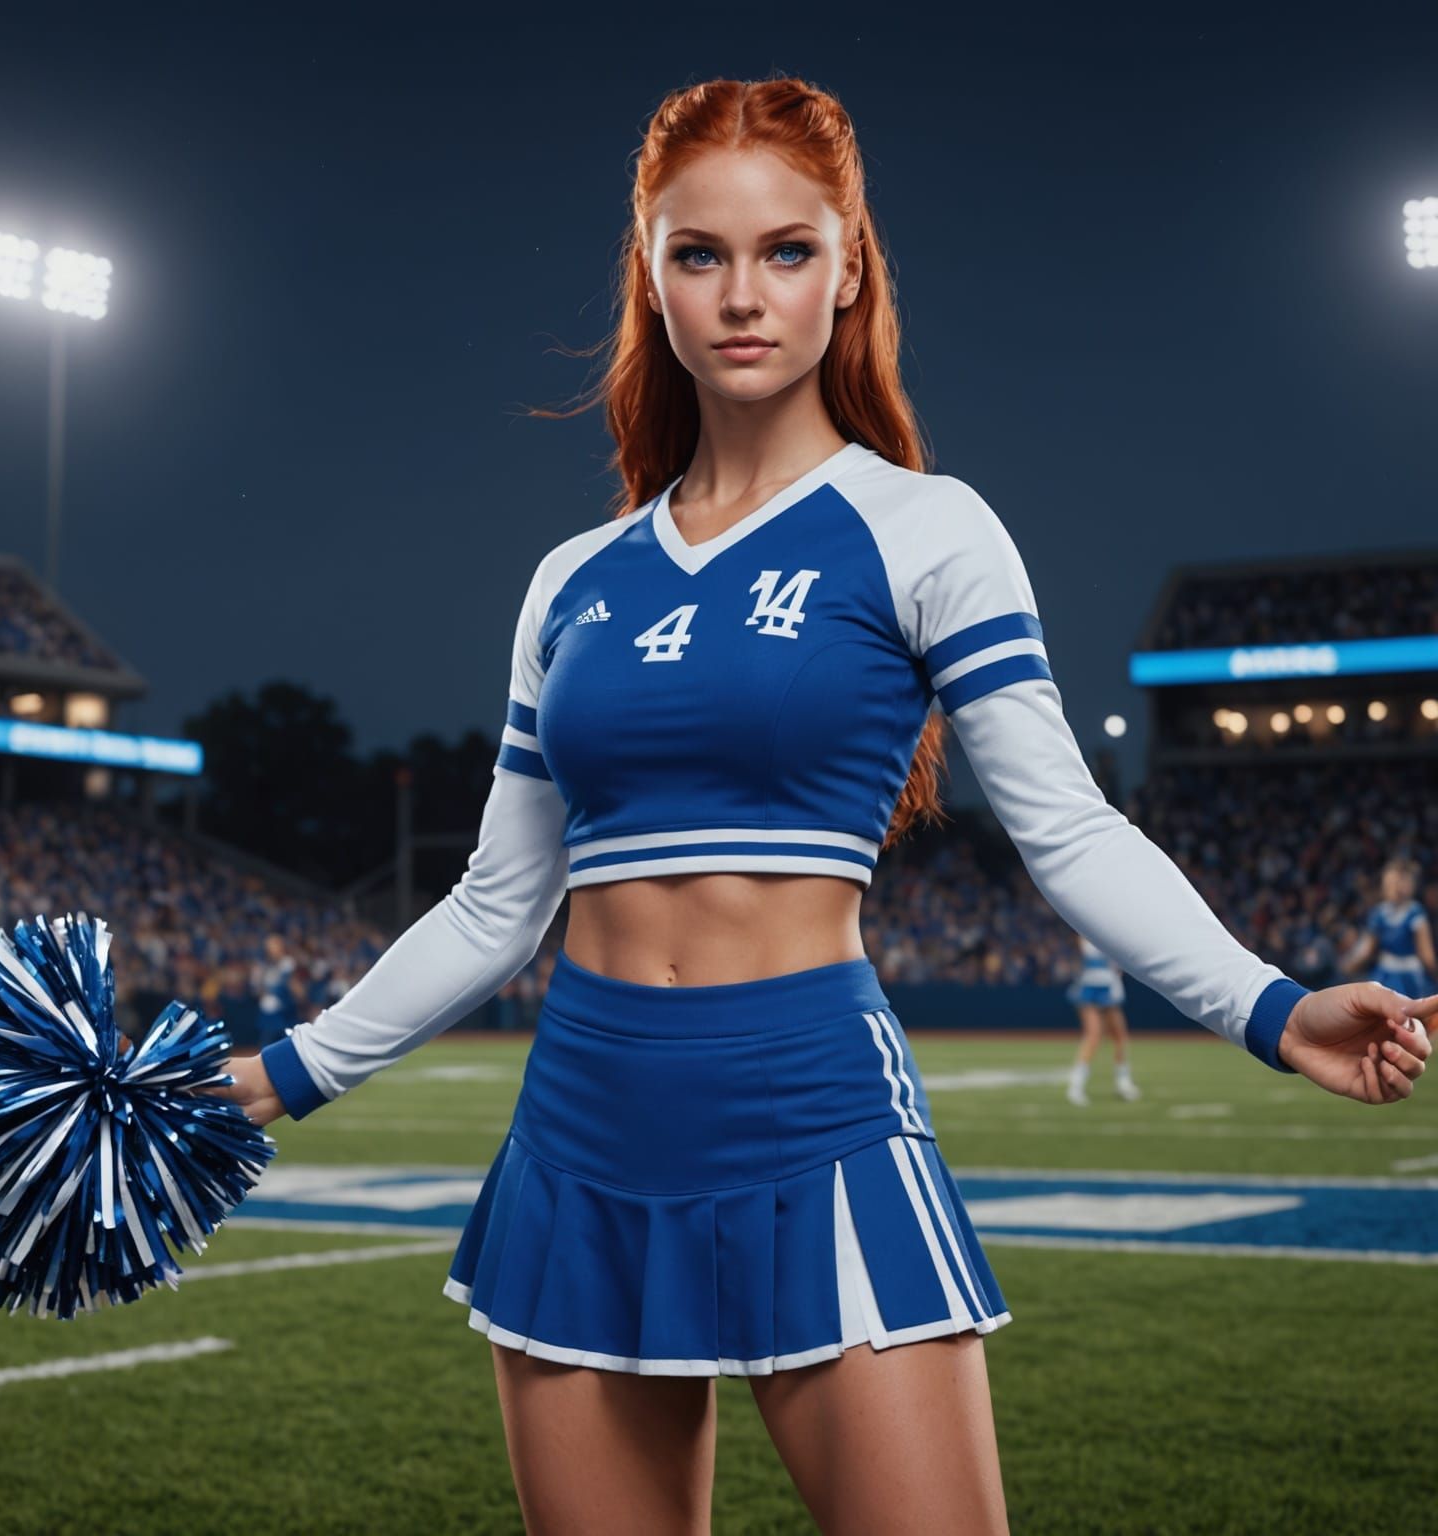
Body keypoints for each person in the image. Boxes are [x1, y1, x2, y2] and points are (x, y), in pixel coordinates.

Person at [215, 75, 1434, 1536]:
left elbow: (1068, 828)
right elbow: (496, 901)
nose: (745, 295)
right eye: (700, 253)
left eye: (788, 250)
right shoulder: (571, 580)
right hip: (581, 1128)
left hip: (813, 1110)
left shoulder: (926, 528)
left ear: (849, 265)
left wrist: (1270, 1007)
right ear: (651, 277)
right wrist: (272, 1078)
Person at [1342, 858, 1435, 1000]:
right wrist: (1345, 966)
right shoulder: (1379, 912)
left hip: (1408, 977)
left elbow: (1426, 955)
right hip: (1385, 975)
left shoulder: (1414, 913)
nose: (1389, 887)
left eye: (1393, 883)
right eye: (1387, 883)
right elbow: (1365, 949)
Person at [1065, 935, 1140, 1106]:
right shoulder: (1086, 933)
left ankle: (1123, 1083)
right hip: (1090, 986)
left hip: (1109, 985)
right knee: (1093, 1036)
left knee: (1120, 1036)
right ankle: (1075, 1086)